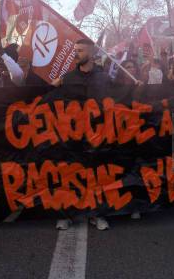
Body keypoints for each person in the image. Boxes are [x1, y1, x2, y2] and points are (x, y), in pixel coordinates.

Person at [53, 39, 110, 231]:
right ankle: (66, 215)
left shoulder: (103, 78)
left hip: (97, 135)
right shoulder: (67, 79)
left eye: (80, 50)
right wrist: (53, 87)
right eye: (75, 50)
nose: (75, 53)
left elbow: (120, 96)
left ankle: (97, 215)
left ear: (91, 53)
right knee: (70, 174)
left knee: (97, 176)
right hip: (72, 136)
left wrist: (139, 88)